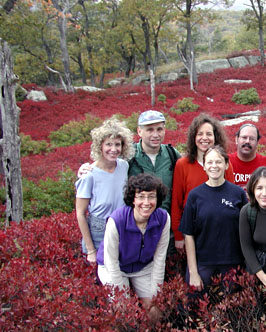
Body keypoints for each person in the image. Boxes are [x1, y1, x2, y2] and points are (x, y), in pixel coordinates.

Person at [78, 110, 181, 255]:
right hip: (134, 230)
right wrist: (86, 169)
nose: (155, 134)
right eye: (149, 129)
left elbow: (188, 174)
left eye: (159, 129)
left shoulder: (172, 154)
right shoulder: (128, 157)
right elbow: (106, 162)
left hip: (166, 229)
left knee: (164, 272)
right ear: (139, 131)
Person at [97, 174, 170, 319]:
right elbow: (111, 261)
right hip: (114, 267)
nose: (146, 202)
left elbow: (160, 259)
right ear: (133, 199)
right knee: (122, 309)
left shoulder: (163, 219)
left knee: (155, 309)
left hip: (143, 267)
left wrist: (156, 294)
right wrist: (121, 294)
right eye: (141, 196)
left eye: (151, 196)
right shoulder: (117, 220)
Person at [179, 145, 247, 292]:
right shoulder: (195, 196)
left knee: (231, 310)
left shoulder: (238, 194)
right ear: (204, 166)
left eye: (218, 162)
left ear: (226, 164)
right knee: (196, 309)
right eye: (209, 162)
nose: (214, 166)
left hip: (232, 263)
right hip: (203, 263)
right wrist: (193, 272)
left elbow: (246, 231)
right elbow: (188, 235)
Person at [171, 114, 234, 251]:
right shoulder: (183, 164)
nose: (204, 138)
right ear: (193, 137)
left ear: (215, 137)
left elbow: (231, 199)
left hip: (221, 230)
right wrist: (178, 236)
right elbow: (176, 202)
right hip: (192, 232)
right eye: (200, 134)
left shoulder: (224, 164)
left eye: (209, 134)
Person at [75, 119, 134, 263]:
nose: (113, 149)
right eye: (108, 144)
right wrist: (90, 250)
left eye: (117, 144)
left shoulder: (124, 166)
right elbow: (80, 214)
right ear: (99, 146)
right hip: (98, 230)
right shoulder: (88, 175)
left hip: (122, 226)